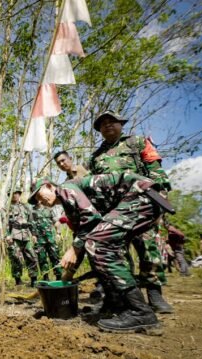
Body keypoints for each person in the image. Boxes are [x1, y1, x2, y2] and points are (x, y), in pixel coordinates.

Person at [29, 172, 171, 333]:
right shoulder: (69, 205)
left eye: (39, 195)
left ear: (49, 186)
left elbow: (91, 219)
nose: (40, 201)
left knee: (98, 244)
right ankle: (115, 304)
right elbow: (82, 238)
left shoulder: (65, 188)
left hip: (141, 195)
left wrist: (73, 249)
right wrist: (68, 274)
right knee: (100, 247)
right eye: (36, 201)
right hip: (143, 199)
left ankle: (140, 312)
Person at [88, 110, 173, 314]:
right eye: (103, 123)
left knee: (148, 249)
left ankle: (154, 294)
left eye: (112, 121)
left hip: (141, 205)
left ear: (121, 124)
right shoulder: (96, 157)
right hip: (114, 211)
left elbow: (156, 171)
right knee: (118, 253)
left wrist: (160, 201)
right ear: (99, 130)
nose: (108, 125)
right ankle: (128, 298)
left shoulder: (137, 143)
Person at [5, 188, 38, 287]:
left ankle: (34, 279)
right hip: (14, 235)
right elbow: (5, 223)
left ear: (19, 194)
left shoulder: (26, 207)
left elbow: (31, 221)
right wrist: (7, 235)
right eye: (12, 194)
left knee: (31, 256)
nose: (15, 195)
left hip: (26, 235)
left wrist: (34, 234)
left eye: (16, 193)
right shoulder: (7, 208)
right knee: (16, 258)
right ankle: (18, 280)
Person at [30, 203, 62, 281]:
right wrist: (33, 235)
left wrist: (58, 233)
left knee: (55, 257)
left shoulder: (49, 209)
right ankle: (45, 277)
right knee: (42, 258)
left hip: (51, 238)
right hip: (39, 239)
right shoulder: (32, 211)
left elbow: (56, 222)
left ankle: (59, 277)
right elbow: (31, 224)